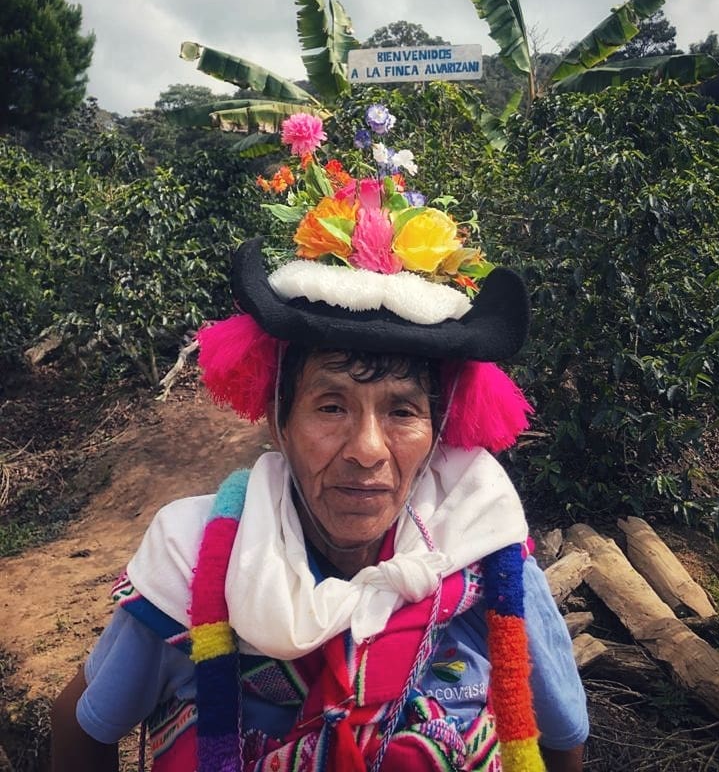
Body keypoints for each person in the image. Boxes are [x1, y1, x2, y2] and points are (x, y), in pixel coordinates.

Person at [52, 107, 588, 771]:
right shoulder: (190, 562)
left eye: (402, 412)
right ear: (278, 419)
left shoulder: (489, 558)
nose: (368, 449)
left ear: (439, 427)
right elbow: (79, 730)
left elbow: (561, 744)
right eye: (331, 405)